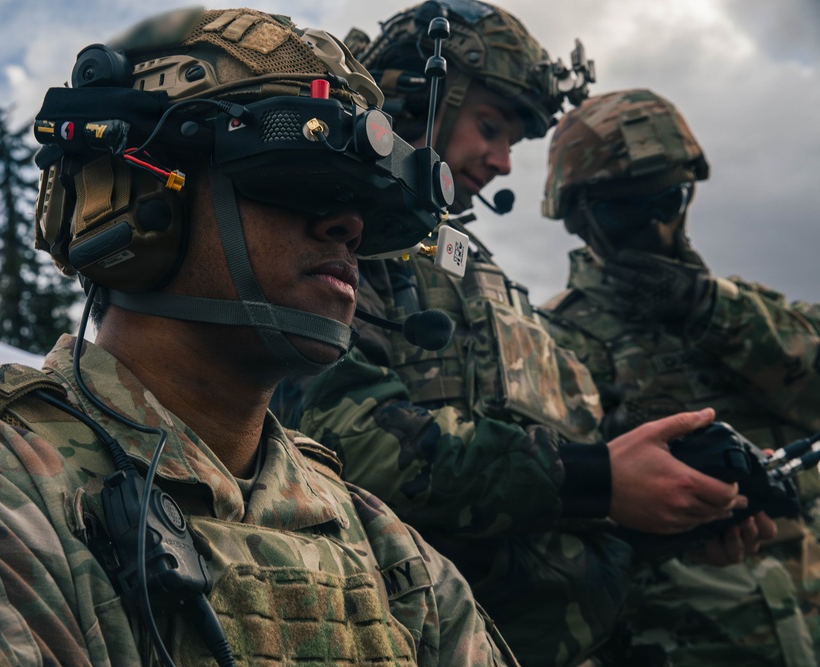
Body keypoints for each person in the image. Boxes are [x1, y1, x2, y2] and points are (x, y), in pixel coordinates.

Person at [0, 7, 516, 665]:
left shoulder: (382, 546)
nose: (347, 226)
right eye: (296, 177)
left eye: (364, 201)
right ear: (138, 193)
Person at [272, 2, 773, 665]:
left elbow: (533, 490)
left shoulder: (477, 273)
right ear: (424, 94)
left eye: (514, 142)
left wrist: (667, 516)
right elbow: (343, 445)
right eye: (490, 127)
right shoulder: (336, 235)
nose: (504, 162)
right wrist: (601, 482)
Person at [538, 87, 820, 665]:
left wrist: (715, 312)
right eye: (627, 209)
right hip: (683, 643)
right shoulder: (547, 342)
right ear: (579, 216)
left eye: (667, 200)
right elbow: (548, 517)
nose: (656, 227)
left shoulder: (744, 309)